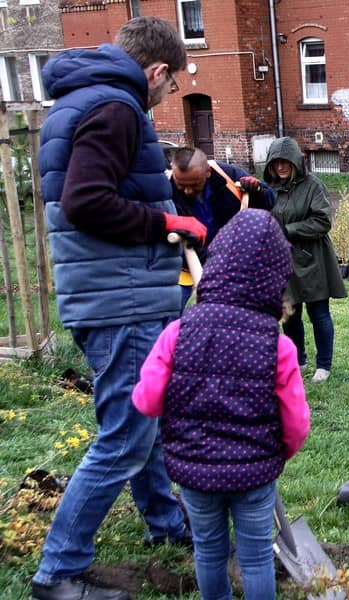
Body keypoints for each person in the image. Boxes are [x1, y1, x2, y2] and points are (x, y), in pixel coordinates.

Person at [34, 16, 207, 600]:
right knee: (126, 436)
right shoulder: (115, 108)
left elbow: (92, 192)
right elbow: (85, 201)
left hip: (111, 290)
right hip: (120, 298)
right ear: (156, 71)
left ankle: (165, 522)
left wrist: (162, 216)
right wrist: (165, 223)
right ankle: (58, 572)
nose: (167, 94)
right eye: (172, 84)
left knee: (145, 416)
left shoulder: (86, 99)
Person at [132, 209, 310, 600]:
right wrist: (277, 453)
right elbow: (296, 424)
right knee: (257, 558)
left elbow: (146, 400)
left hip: (195, 472)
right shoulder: (278, 345)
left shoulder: (178, 332)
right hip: (254, 474)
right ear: (275, 283)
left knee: (209, 551)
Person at [264, 137, 347, 383]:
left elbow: (322, 221)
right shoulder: (268, 189)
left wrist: (288, 230)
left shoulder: (313, 186)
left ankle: (324, 365)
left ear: (295, 162)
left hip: (313, 258)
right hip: (282, 260)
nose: (281, 167)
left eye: (285, 162)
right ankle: (297, 361)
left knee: (318, 313)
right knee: (289, 315)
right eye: (276, 162)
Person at [170, 146, 276, 308]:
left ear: (208, 172)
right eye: (181, 185)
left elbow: (270, 202)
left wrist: (258, 190)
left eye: (194, 184)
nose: (188, 190)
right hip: (184, 270)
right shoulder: (164, 188)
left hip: (230, 267)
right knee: (172, 315)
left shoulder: (228, 175)